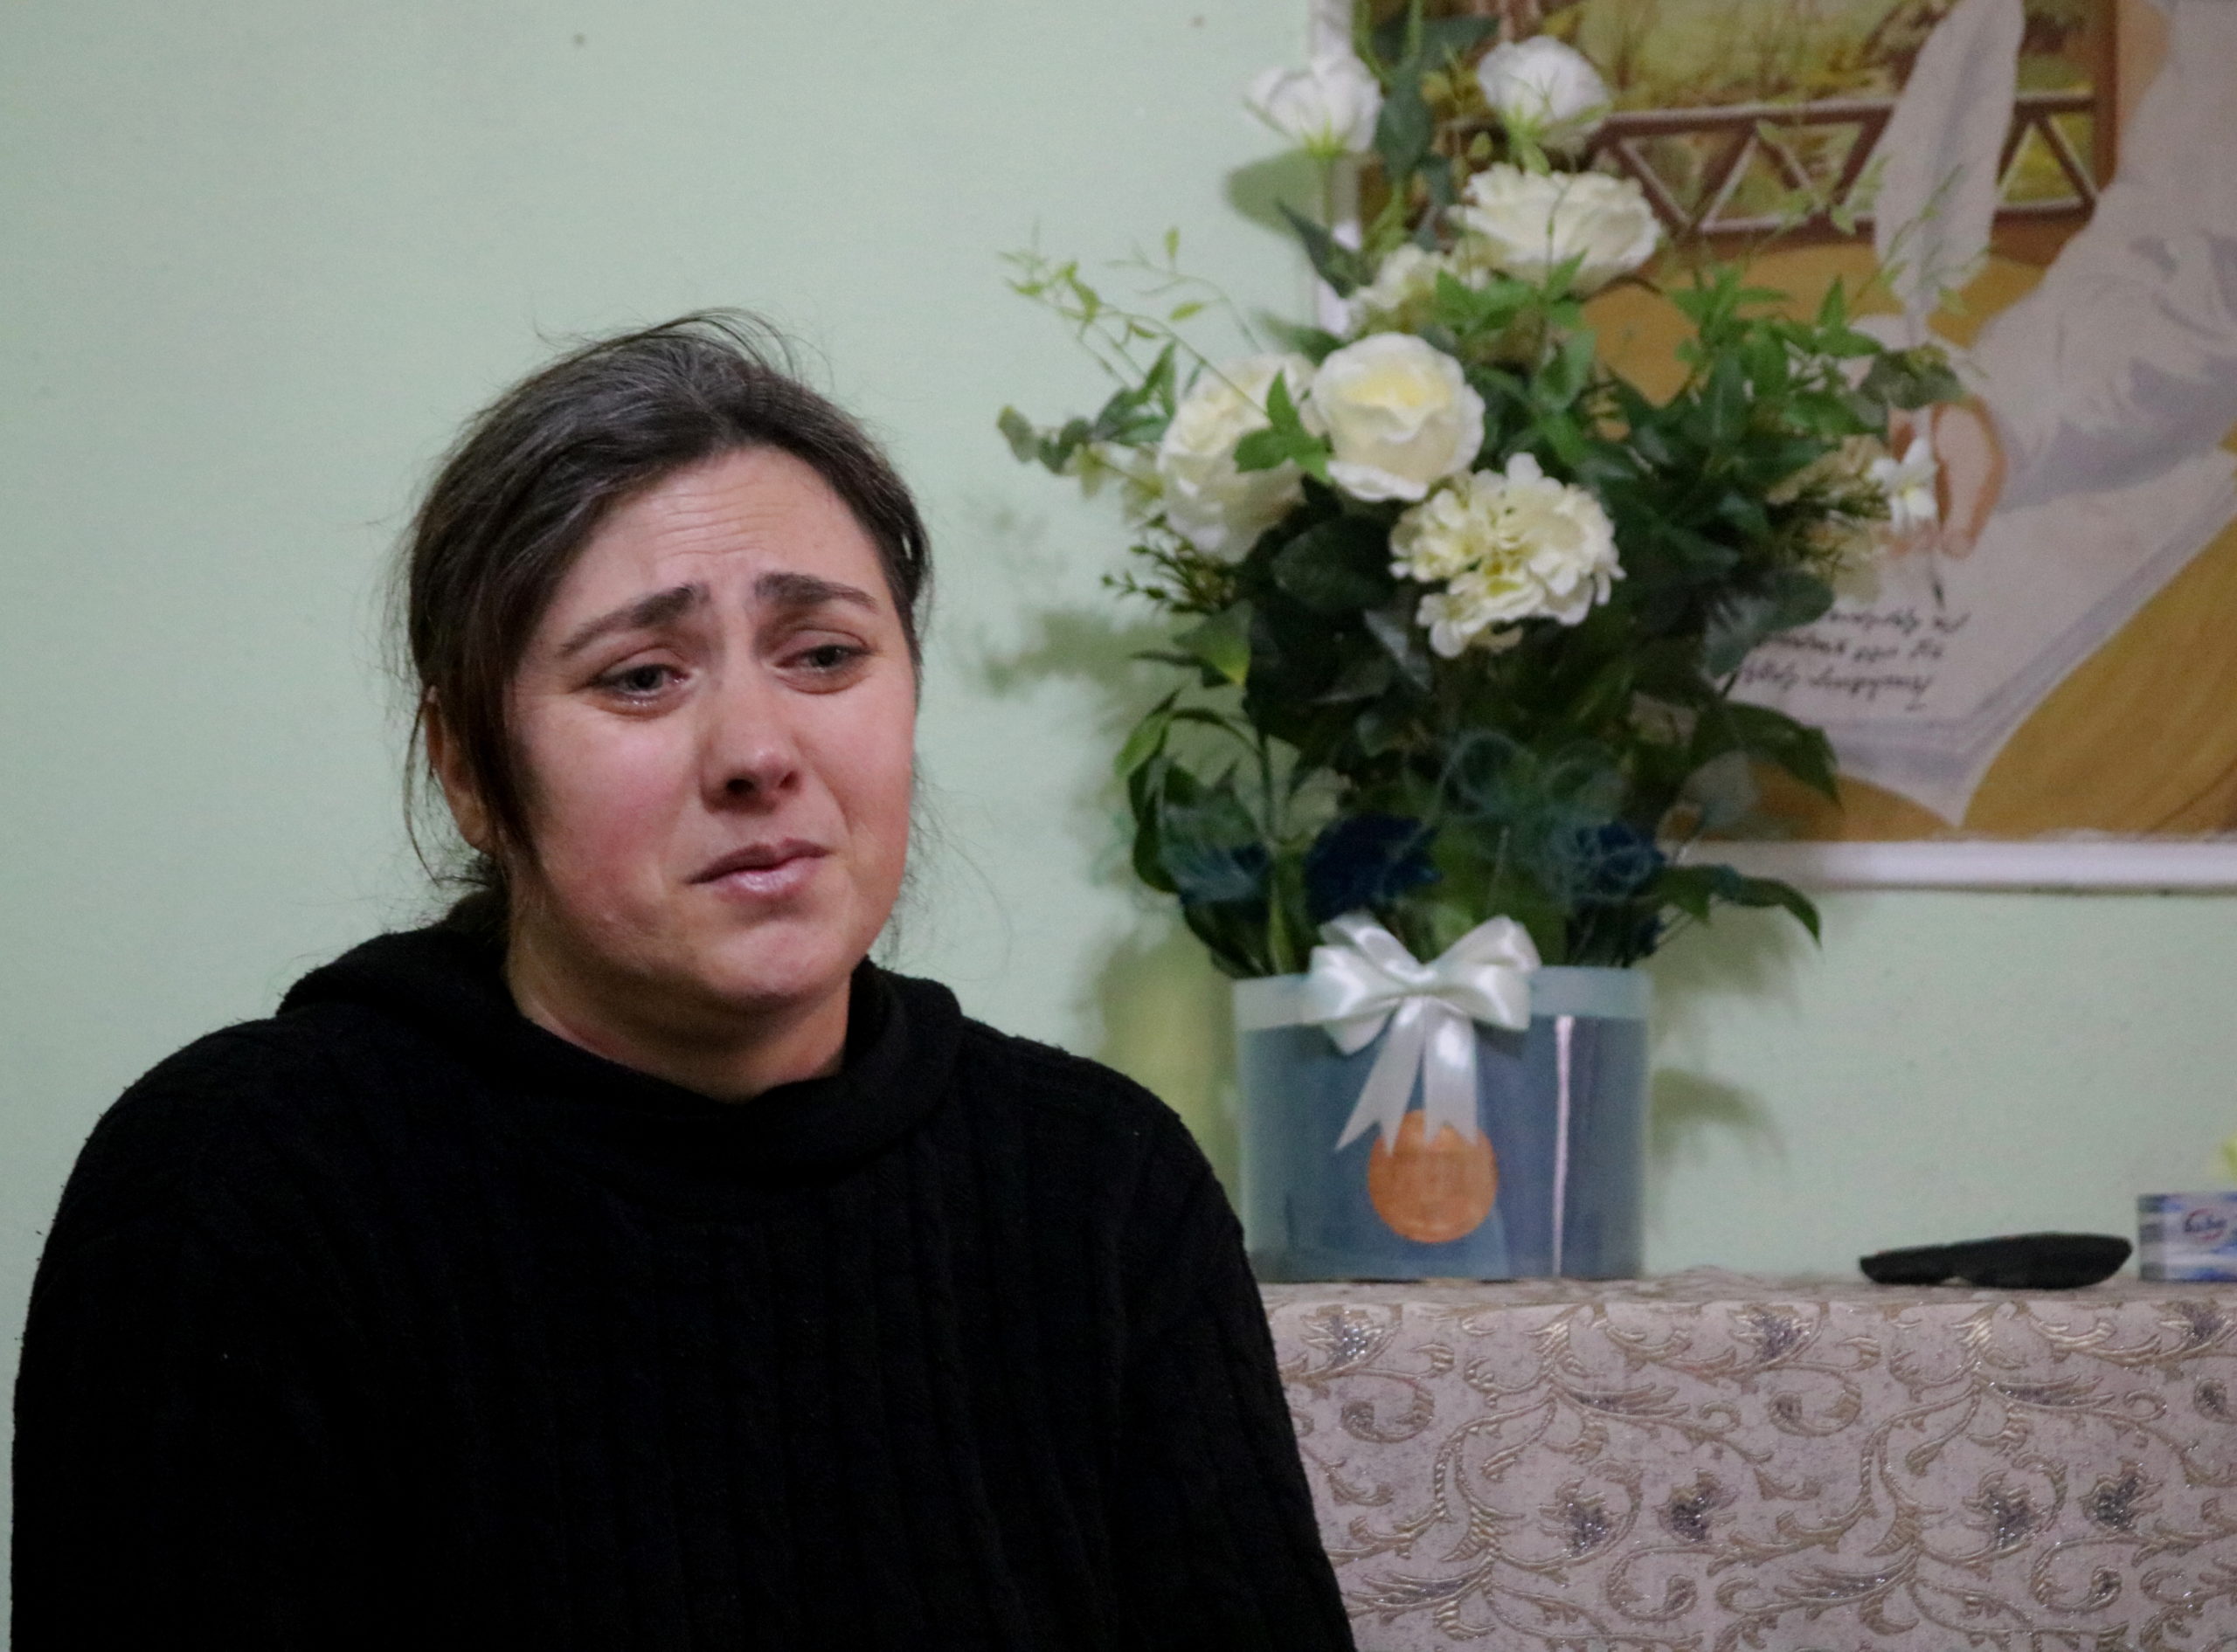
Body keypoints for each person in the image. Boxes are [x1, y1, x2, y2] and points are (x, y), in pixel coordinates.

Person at [12, 315, 1356, 1650]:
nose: (757, 751)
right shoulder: (241, 1182)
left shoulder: (1102, 1186)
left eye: (824, 655)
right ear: (469, 769)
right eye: (643, 677)